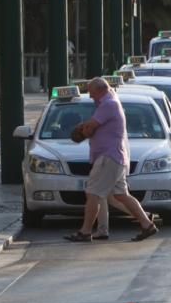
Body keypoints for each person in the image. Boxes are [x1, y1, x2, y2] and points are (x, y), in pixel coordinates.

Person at [64, 77, 158, 242]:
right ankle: (146, 224)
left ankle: (85, 231)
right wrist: (87, 127)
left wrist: (83, 130)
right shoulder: (110, 102)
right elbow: (93, 126)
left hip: (108, 157)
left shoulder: (108, 104)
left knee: (92, 192)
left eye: (92, 93)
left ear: (100, 90)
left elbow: (91, 127)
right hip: (116, 156)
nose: (91, 96)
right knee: (122, 194)